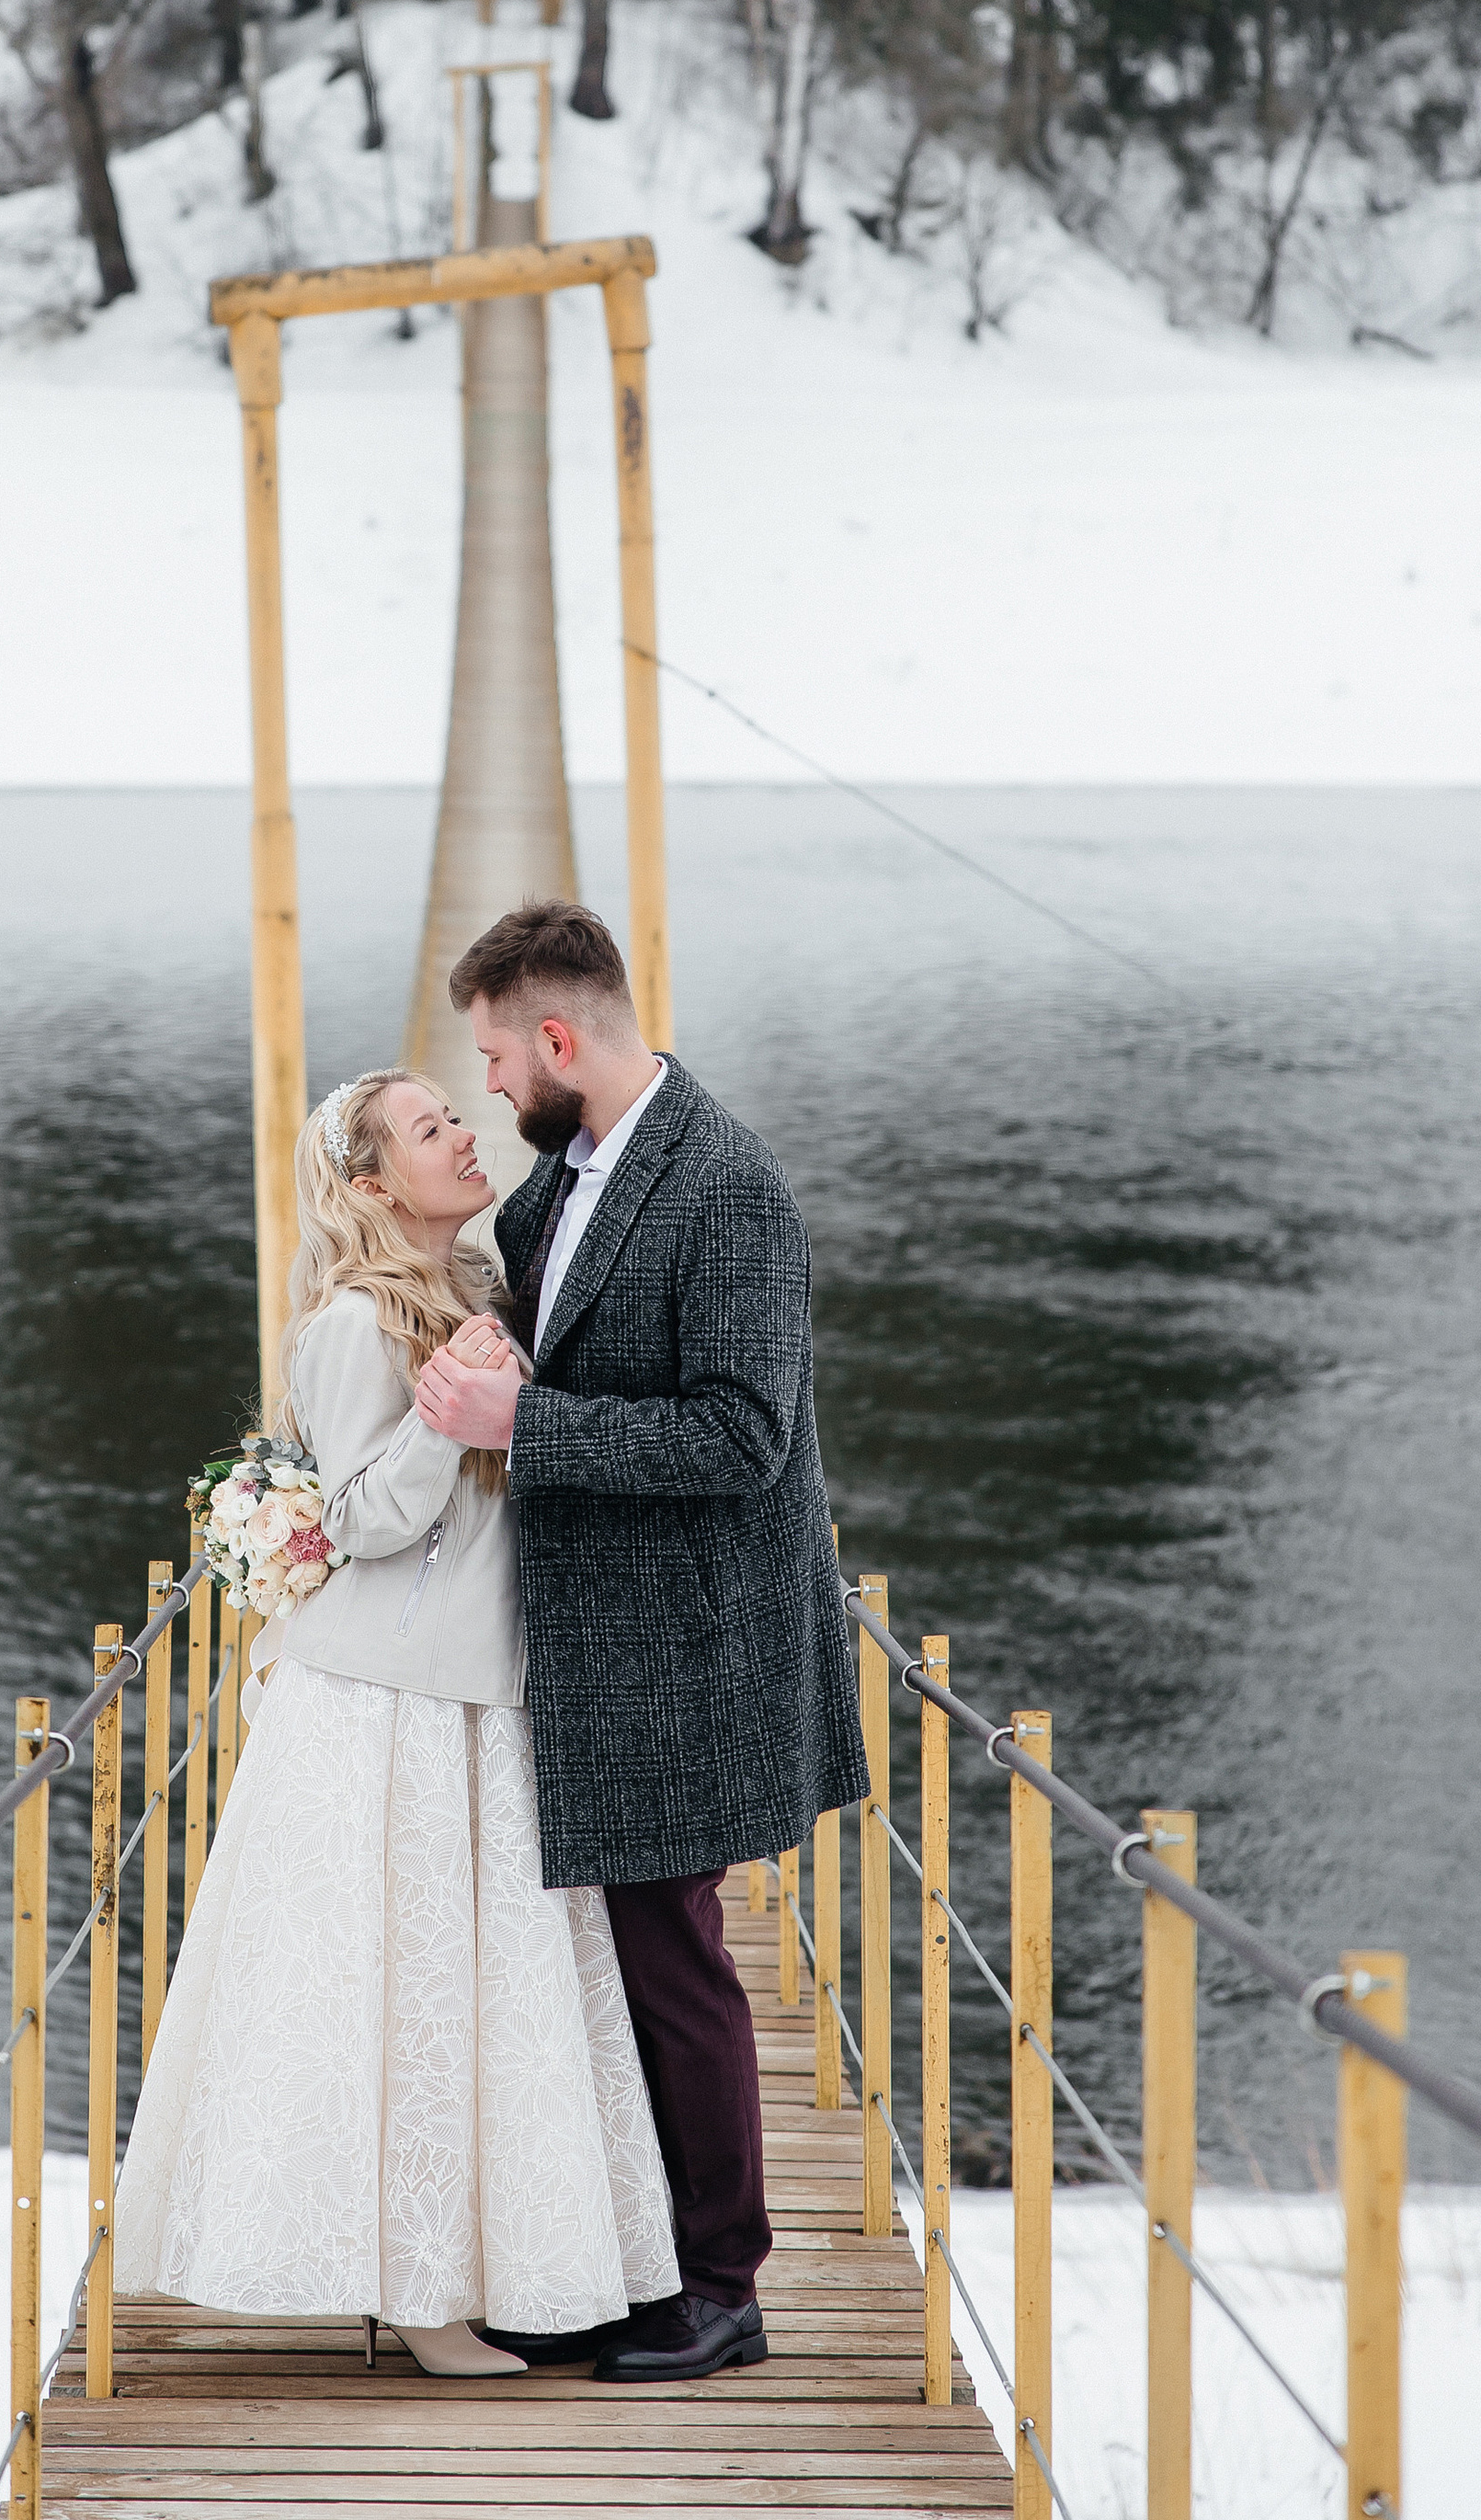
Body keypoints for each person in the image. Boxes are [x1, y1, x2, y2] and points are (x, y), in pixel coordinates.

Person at [114, 1068, 678, 2377]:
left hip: (484, 1688)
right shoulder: (355, 1322)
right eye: (433, 1129)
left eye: (457, 1115)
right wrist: (443, 1410)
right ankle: (421, 2301)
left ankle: (487, 2269)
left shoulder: (480, 1286)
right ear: (372, 1183)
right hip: (390, 1703)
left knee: (483, 2001)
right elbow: (361, 1519)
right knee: (404, 1994)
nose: (467, 1134)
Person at [413, 899, 871, 2385]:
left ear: (558, 1038)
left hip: (688, 1649)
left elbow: (741, 1439)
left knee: (675, 1964)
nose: (490, 1085)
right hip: (586, 1643)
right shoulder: (561, 1183)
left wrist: (522, 1422)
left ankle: (723, 2291)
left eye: (496, 1058)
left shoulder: (728, 1188)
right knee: (604, 1968)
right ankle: (626, 2264)